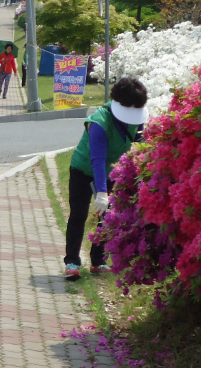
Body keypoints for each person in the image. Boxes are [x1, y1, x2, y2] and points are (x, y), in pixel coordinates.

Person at [64, 77, 148, 280]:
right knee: (79, 214)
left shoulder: (136, 118)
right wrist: (101, 192)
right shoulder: (99, 122)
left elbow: (140, 146)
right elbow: (97, 159)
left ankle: (98, 260)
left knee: (108, 217)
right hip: (83, 170)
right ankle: (72, 261)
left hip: (112, 170)